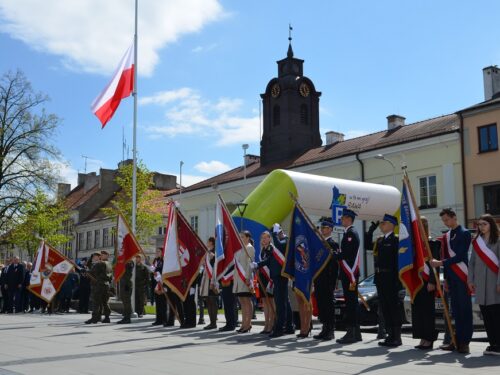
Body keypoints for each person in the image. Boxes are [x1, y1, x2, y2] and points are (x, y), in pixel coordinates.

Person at [430, 207, 472, 354]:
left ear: (454, 217)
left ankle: (465, 342)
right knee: (455, 311)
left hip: (461, 276)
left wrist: (440, 263)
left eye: (447, 219)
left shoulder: (464, 233)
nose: (445, 222)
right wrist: (446, 279)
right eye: (443, 220)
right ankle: (456, 340)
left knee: (464, 309)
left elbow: (460, 256)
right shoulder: (447, 235)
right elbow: (446, 255)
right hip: (451, 278)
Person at [468, 213, 500, 356]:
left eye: (484, 224)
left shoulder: (498, 241)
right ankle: (492, 344)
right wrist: (470, 280)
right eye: (479, 224)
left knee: (496, 315)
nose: (481, 227)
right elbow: (472, 262)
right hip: (480, 284)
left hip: (495, 284)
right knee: (486, 316)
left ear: (491, 225)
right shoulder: (476, 242)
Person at [255, 228, 293, 338]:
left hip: (281, 276)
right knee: (283, 302)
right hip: (276, 276)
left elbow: (279, 246)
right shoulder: (274, 246)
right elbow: (269, 260)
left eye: (276, 232)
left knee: (281, 303)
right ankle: (288, 326)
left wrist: (274, 234)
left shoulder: (284, 241)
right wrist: (258, 264)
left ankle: (280, 328)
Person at [373, 214, 402, 347]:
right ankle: (390, 335)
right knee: (385, 307)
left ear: (391, 224)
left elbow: (397, 262)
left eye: (383, 223)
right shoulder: (380, 241)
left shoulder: (396, 240)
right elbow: (368, 244)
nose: (381, 225)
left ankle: (397, 337)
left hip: (391, 278)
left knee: (392, 307)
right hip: (381, 278)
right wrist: (370, 230)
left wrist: (397, 280)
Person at [412, 216, 440, 350]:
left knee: (428, 311)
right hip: (417, 281)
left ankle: (429, 338)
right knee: (418, 310)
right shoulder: (414, 245)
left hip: (427, 280)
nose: (417, 228)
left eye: (420, 225)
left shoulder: (433, 243)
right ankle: (422, 337)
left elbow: (435, 265)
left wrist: (432, 281)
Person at [336, 208, 362, 344]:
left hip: (350, 273)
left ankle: (352, 332)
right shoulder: (348, 233)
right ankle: (355, 332)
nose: (341, 220)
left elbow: (348, 253)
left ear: (349, 219)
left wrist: (336, 255)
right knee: (351, 301)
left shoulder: (351, 233)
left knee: (351, 302)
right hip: (348, 273)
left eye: (343, 218)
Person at [312, 219, 339, 341]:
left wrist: (333, 282)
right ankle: (324, 328)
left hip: (328, 279)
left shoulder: (333, 244)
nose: (323, 230)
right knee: (321, 304)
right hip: (319, 278)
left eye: (326, 228)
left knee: (328, 305)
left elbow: (334, 266)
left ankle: (330, 330)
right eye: (322, 228)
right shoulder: (319, 243)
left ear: (331, 230)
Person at [234, 230, 255, 333]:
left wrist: (247, 277)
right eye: (240, 237)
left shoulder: (250, 248)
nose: (240, 238)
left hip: (245, 278)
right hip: (239, 279)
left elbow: (249, 264)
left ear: (247, 237)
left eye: (242, 237)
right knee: (242, 302)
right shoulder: (240, 249)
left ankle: (248, 323)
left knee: (246, 301)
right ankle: (243, 323)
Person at [255, 232, 276, 334]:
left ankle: (272, 324)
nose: (263, 240)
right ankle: (266, 324)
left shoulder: (271, 249)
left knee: (271, 302)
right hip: (262, 278)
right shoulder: (262, 250)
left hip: (270, 279)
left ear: (270, 238)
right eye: (262, 238)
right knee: (265, 303)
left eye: (265, 238)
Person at [85, 252, 111, 324]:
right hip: (106, 285)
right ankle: (106, 317)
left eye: (95, 256)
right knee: (105, 302)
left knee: (96, 302)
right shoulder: (108, 264)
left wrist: (85, 271)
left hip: (98, 285)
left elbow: (91, 273)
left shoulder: (99, 264)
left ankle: (94, 318)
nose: (94, 258)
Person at [200, 237, 219, 330]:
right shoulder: (208, 252)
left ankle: (214, 322)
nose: (207, 243)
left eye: (208, 241)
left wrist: (213, 256)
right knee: (208, 301)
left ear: (211, 242)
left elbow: (215, 265)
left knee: (212, 300)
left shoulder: (215, 252)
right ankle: (211, 322)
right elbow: (203, 263)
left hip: (212, 278)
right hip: (206, 278)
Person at [151, 249, 168, 326]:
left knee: (163, 303)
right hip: (156, 283)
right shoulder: (155, 261)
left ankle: (164, 319)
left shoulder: (163, 261)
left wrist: (159, 274)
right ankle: (158, 319)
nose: (157, 253)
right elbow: (153, 270)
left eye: (158, 252)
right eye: (156, 252)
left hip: (162, 283)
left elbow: (164, 271)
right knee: (157, 303)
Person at [219, 265, 237, 332]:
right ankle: (228, 323)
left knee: (230, 304)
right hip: (225, 279)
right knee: (226, 304)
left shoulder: (232, 256)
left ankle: (231, 324)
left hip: (230, 279)